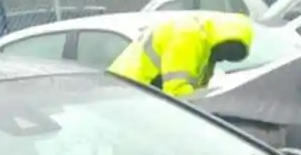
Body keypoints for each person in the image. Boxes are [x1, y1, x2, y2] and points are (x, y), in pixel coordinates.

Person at [108, 14, 255, 97]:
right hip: (129, 92)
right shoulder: (188, 36)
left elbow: (197, 90)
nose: (223, 59)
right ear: (223, 42)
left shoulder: (207, 46)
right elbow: (177, 91)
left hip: (137, 91)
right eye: (227, 53)